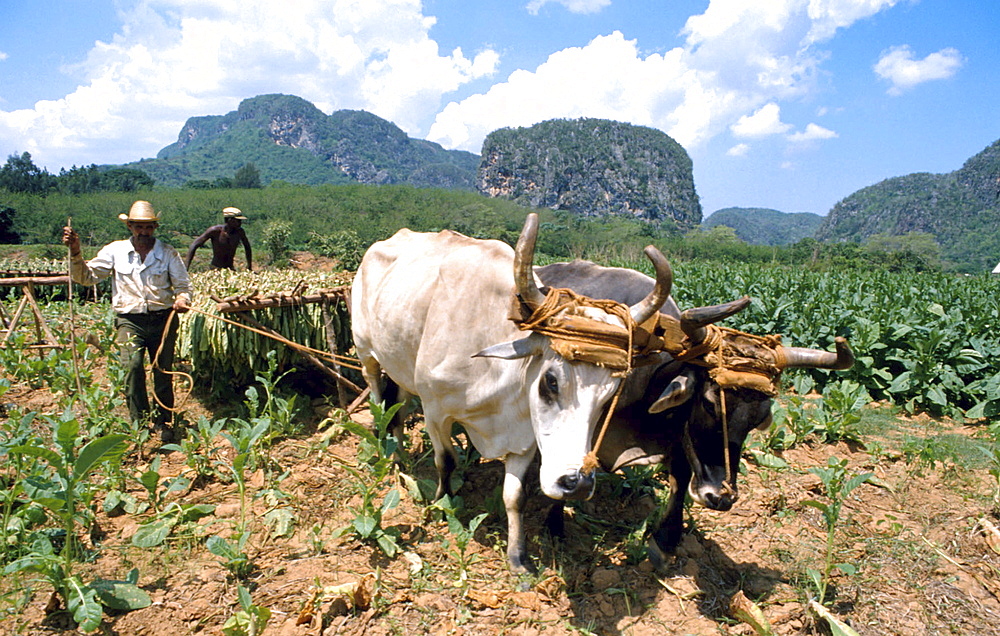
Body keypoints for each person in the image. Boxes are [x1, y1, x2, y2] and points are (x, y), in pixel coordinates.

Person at [63, 200, 192, 442]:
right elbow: (87, 277)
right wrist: (76, 252)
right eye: (138, 227)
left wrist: (183, 299)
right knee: (132, 368)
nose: (144, 232)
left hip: (163, 319)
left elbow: (183, 286)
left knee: (162, 370)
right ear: (130, 226)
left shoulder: (167, 253)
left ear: (155, 227)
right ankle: (140, 422)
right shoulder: (115, 251)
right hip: (129, 320)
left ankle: (163, 421)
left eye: (148, 227)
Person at [185, 206, 253, 271]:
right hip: (215, 268)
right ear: (230, 220)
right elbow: (194, 245)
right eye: (238, 221)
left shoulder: (239, 232)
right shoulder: (215, 231)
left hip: (230, 268)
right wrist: (186, 267)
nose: (240, 223)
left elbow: (247, 247)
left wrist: (249, 266)